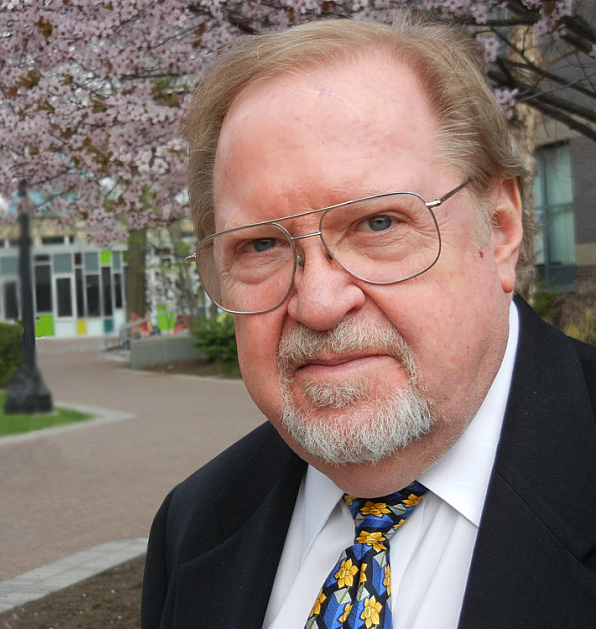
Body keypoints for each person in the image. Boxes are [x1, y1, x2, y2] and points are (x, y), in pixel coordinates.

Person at [141, 16, 596, 629]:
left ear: (501, 227)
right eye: (260, 246)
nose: (319, 302)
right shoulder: (193, 523)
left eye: (378, 224)